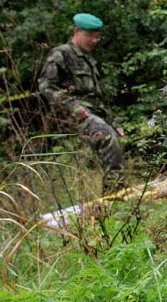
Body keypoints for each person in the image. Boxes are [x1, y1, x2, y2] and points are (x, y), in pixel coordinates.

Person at [38, 13, 125, 194]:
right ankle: (114, 195)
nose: (94, 41)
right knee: (107, 137)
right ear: (76, 31)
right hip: (71, 114)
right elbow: (46, 87)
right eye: (90, 36)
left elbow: (95, 99)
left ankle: (118, 191)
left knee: (117, 138)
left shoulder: (88, 59)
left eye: (97, 37)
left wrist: (112, 121)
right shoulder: (61, 54)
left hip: (91, 112)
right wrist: (73, 108)